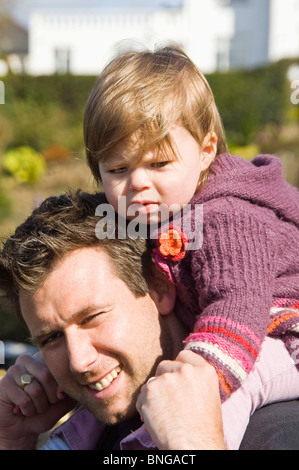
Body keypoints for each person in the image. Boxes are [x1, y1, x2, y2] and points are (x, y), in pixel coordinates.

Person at [83, 45, 299, 448]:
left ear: (205, 151)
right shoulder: (157, 209)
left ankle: (159, 446)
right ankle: (72, 438)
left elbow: (238, 306)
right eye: (117, 169)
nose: (138, 184)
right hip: (236, 332)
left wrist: (196, 373)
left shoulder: (229, 218)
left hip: (281, 333)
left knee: (214, 397)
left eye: (158, 164)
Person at [0, 191, 298, 450]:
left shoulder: (276, 432)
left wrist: (194, 444)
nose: (79, 361)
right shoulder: (94, 431)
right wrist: (11, 440)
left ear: (159, 288)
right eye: (51, 338)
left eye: (91, 317)